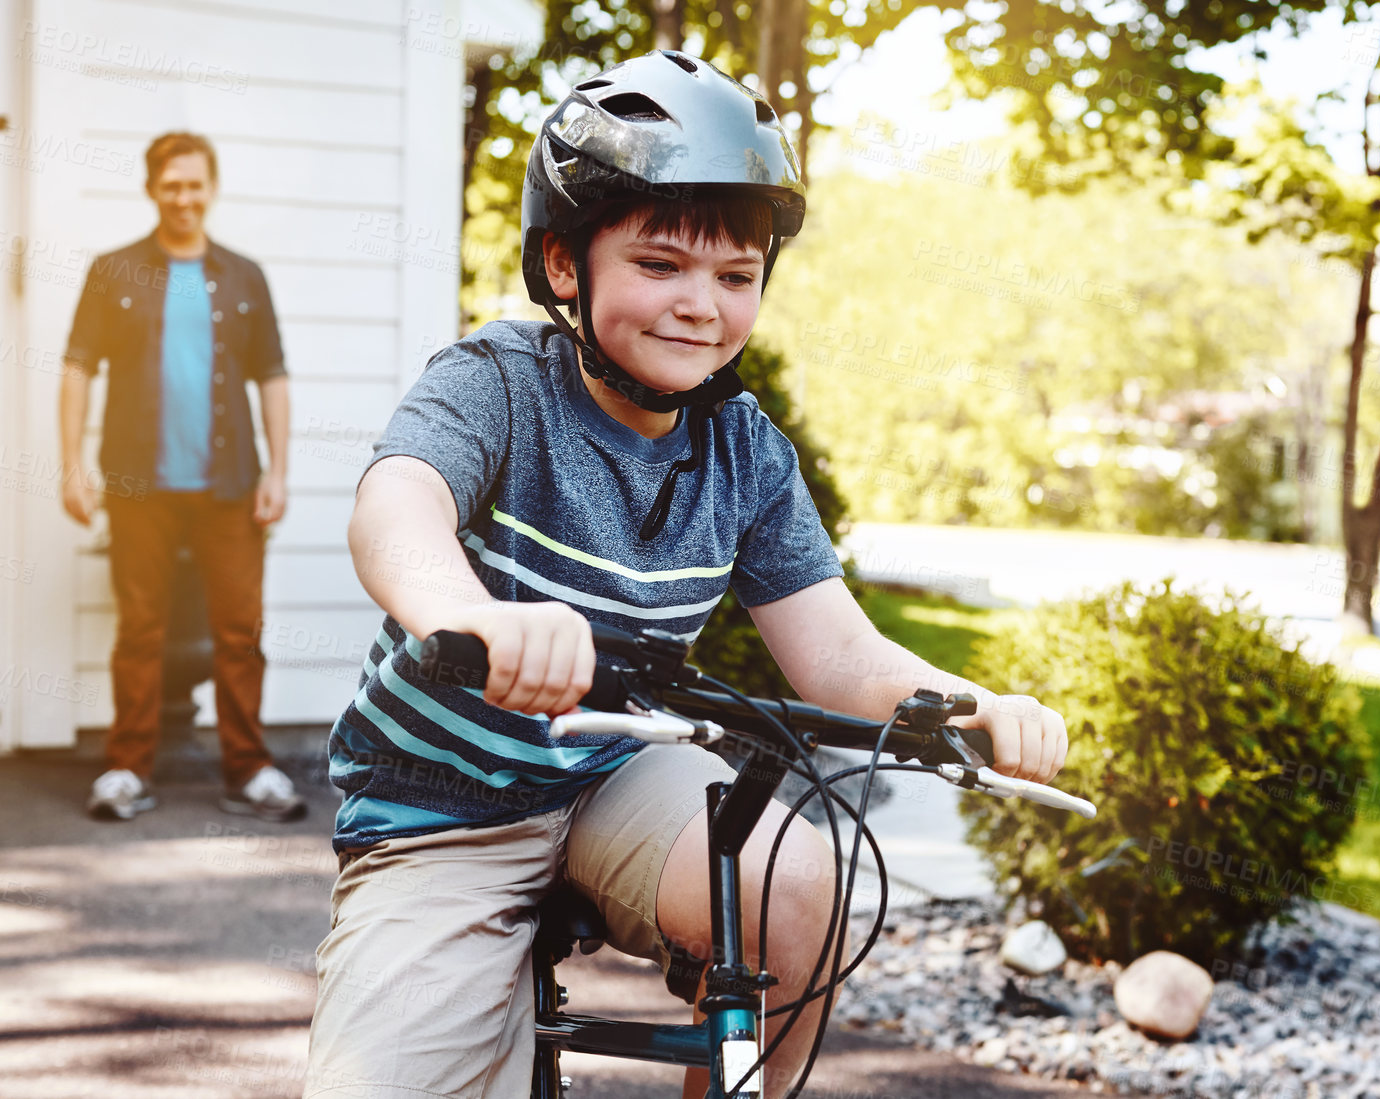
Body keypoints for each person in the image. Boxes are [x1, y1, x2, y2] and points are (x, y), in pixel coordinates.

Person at [304, 50, 1070, 1099]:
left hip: (618, 772)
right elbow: (395, 515)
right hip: (446, 807)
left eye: (735, 276)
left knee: (797, 880)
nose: (701, 305)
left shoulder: (745, 450)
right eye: (659, 264)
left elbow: (837, 651)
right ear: (567, 265)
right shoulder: (496, 385)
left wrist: (973, 706)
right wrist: (471, 617)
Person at [60, 132, 305, 824]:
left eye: (195, 184)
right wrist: (72, 467)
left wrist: (278, 472)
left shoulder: (243, 276)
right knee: (140, 628)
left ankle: (249, 768)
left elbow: (272, 377)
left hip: (231, 485)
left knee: (238, 631)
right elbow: (77, 366)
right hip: (138, 485)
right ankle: (125, 768)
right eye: (171, 185)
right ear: (152, 190)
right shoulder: (114, 271)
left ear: (211, 189)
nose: (184, 197)